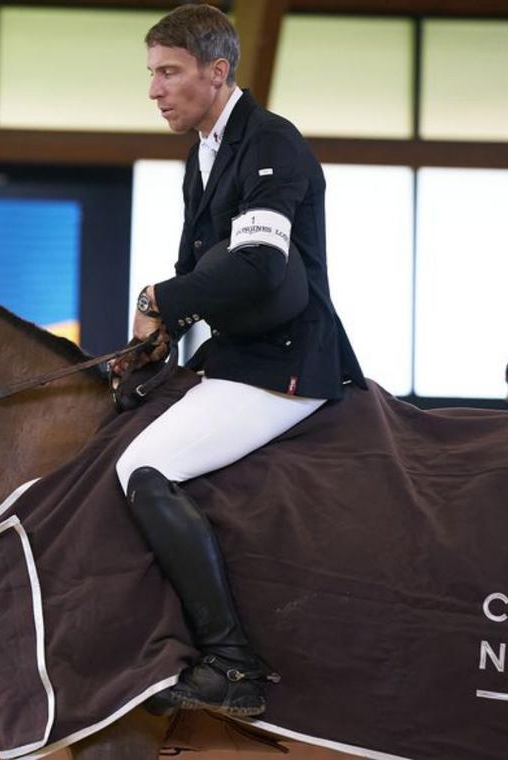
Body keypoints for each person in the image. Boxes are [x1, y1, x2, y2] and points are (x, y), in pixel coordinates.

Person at [116, 4, 365, 718]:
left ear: (217, 71)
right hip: (237, 353)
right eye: (152, 74)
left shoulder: (270, 143)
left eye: (169, 73)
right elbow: (204, 269)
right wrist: (158, 336)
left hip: (288, 361)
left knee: (143, 467)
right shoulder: (204, 151)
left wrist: (158, 295)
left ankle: (231, 661)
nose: (155, 90)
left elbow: (257, 268)